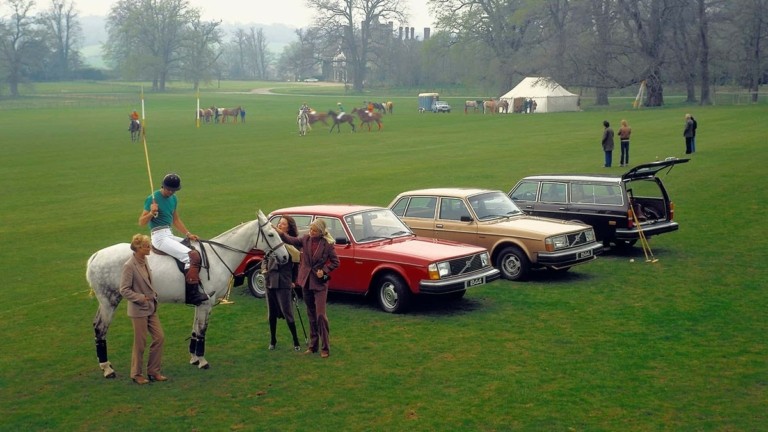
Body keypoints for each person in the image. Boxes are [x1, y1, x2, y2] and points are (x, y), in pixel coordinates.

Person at [138, 173, 208, 306]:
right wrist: (151, 213)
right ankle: (192, 295)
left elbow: (175, 219)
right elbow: (141, 222)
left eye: (173, 190)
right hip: (158, 237)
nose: (170, 192)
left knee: (195, 248)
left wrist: (188, 234)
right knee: (191, 256)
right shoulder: (151, 199)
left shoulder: (174, 199)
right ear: (162, 186)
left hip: (169, 234)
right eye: (168, 189)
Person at [278, 219, 339, 358]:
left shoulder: (327, 245)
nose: (311, 232)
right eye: (310, 229)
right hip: (306, 282)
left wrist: (324, 270)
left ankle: (325, 347)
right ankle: (313, 346)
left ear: (321, 232)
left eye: (314, 230)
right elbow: (291, 240)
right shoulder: (305, 239)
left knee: (320, 316)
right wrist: (280, 232)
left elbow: (336, 262)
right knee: (311, 315)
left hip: (319, 285)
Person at [119, 234, 167, 385]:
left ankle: (153, 371)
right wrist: (141, 298)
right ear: (139, 248)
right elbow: (124, 290)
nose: (150, 248)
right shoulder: (129, 266)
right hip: (139, 310)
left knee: (159, 337)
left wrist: (153, 294)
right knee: (140, 343)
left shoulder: (144, 260)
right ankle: (136, 374)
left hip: (151, 307)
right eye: (147, 246)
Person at [263, 216, 302, 352]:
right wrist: (264, 269)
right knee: (271, 313)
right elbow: (265, 257)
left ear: (289, 227)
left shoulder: (293, 243)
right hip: (270, 280)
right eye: (279, 223)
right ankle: (273, 340)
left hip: (284, 281)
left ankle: (296, 340)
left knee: (288, 313)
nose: (280, 225)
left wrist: (293, 281)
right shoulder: (272, 239)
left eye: (283, 224)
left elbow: (296, 264)